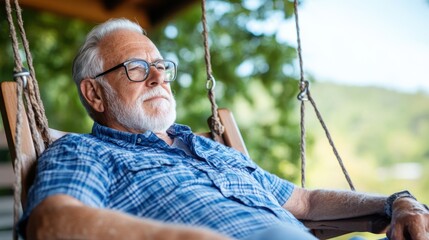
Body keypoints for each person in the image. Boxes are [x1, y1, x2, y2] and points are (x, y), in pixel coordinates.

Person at [20, 18, 428, 240]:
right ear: (94, 93)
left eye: (161, 67)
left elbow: (304, 202)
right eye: (137, 68)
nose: (158, 79)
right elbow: (51, 222)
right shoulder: (85, 152)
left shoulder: (208, 149)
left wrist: (398, 200)